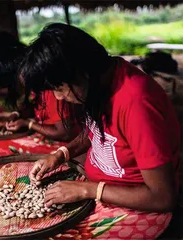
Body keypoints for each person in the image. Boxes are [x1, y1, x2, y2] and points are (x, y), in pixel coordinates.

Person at [19, 23, 181, 239]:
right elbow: (98, 130)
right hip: (101, 189)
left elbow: (163, 197)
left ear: (82, 73)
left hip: (141, 206)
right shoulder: (100, 81)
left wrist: (88, 190)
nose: (58, 98)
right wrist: (61, 154)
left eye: (59, 89)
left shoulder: (137, 103)